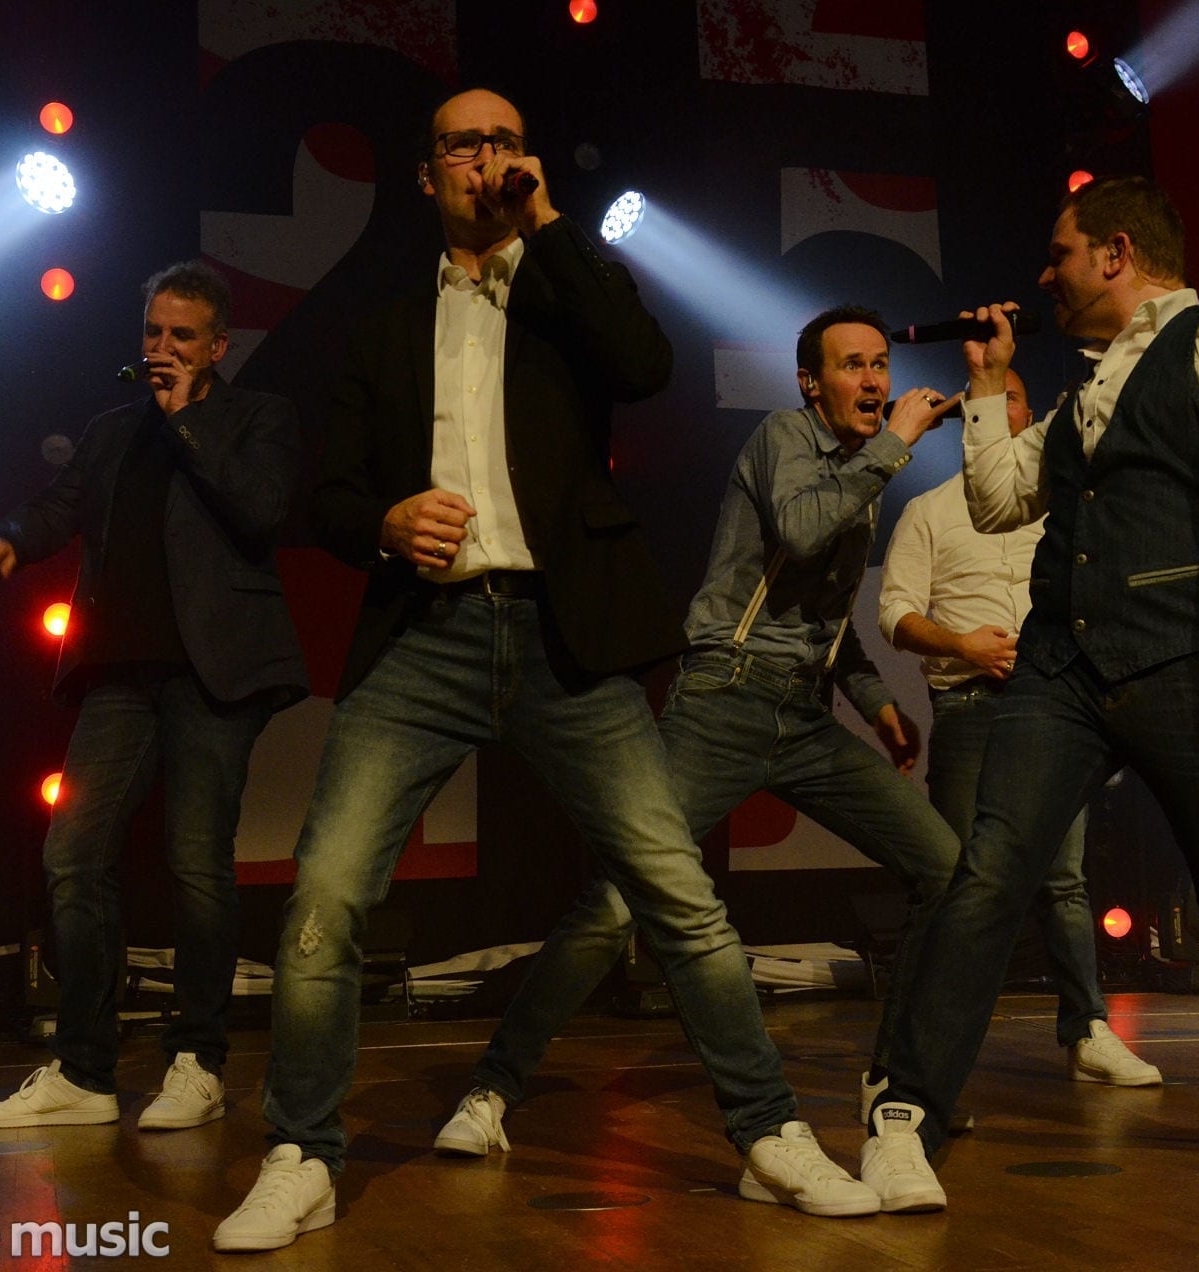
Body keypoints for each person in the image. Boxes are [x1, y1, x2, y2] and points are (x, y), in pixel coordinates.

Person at [213, 89, 879, 1254]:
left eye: (505, 141)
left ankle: (770, 1133)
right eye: (464, 144)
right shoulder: (383, 325)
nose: (487, 158)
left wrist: (550, 225)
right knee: (327, 890)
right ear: (428, 175)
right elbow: (327, 497)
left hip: (564, 638)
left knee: (675, 893)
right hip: (424, 638)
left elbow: (646, 363)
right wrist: (386, 522)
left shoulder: (568, 293)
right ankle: (302, 1152)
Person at [860, 176, 1199, 1214]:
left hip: (1186, 666)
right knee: (987, 878)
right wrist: (989, 383)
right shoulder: (1083, 394)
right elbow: (996, 501)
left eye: (1060, 255)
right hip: (1061, 671)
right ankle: (905, 1114)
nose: (1045, 276)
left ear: (1116, 253)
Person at [434, 305, 963, 1161]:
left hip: (803, 714)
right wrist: (894, 446)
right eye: (853, 365)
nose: (874, 381)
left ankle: (897, 1080)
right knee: (620, 902)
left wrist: (875, 702)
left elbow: (826, 615)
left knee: (943, 867)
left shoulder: (861, 471)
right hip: (725, 702)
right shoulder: (784, 437)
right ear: (811, 382)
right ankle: (492, 1087)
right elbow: (802, 531)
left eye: (880, 365)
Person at [0, 261, 307, 1134]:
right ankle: (85, 1071)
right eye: (153, 332)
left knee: (197, 863)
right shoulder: (114, 429)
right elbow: (59, 506)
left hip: (213, 671)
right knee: (73, 854)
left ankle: (198, 1062)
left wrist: (187, 419)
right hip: (119, 673)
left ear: (218, 347)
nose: (162, 347)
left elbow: (261, 512)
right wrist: (10, 537)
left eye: (182, 336)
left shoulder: (257, 417)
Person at [877, 366, 1161, 1089]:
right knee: (954, 878)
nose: (1000, 413)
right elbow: (894, 613)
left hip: (1051, 706)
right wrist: (962, 644)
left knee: (1062, 878)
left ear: (1031, 418)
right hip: (969, 706)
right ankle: (919, 1054)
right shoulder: (929, 512)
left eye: (1013, 402)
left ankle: (1087, 1031)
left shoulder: (1064, 508)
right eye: (987, 402)